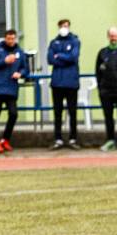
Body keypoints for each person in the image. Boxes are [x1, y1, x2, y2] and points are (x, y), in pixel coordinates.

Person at [0, 29, 28, 154]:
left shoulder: (20, 52)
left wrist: (20, 73)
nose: (11, 41)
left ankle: (5, 139)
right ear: (5, 38)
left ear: (15, 39)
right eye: (8, 38)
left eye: (13, 38)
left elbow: (26, 69)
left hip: (11, 88)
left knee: (13, 114)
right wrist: (4, 61)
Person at [48, 19, 81, 150]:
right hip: (57, 83)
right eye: (62, 26)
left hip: (71, 82)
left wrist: (59, 56)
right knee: (57, 112)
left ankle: (73, 138)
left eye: (66, 26)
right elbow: (50, 59)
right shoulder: (53, 42)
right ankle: (58, 139)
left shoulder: (75, 41)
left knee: (73, 112)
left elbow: (73, 57)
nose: (64, 28)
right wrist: (63, 58)